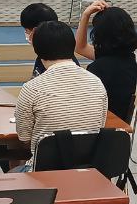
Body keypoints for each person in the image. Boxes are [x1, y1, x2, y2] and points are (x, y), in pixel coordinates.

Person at [14, 20, 109, 162]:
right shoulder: (97, 82)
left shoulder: (31, 88)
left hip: (45, 174)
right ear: (72, 46)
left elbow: (24, 139)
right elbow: (99, 127)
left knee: (10, 174)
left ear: (37, 49)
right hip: (88, 172)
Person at [73, 0, 137, 122]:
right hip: (119, 124)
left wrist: (85, 15)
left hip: (101, 126)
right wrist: (86, 15)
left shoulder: (99, 67)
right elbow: (80, 47)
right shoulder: (128, 58)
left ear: (100, 33)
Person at [21, 2, 74, 76]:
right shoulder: (43, 56)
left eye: (27, 31)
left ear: (35, 32)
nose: (26, 34)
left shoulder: (61, 64)